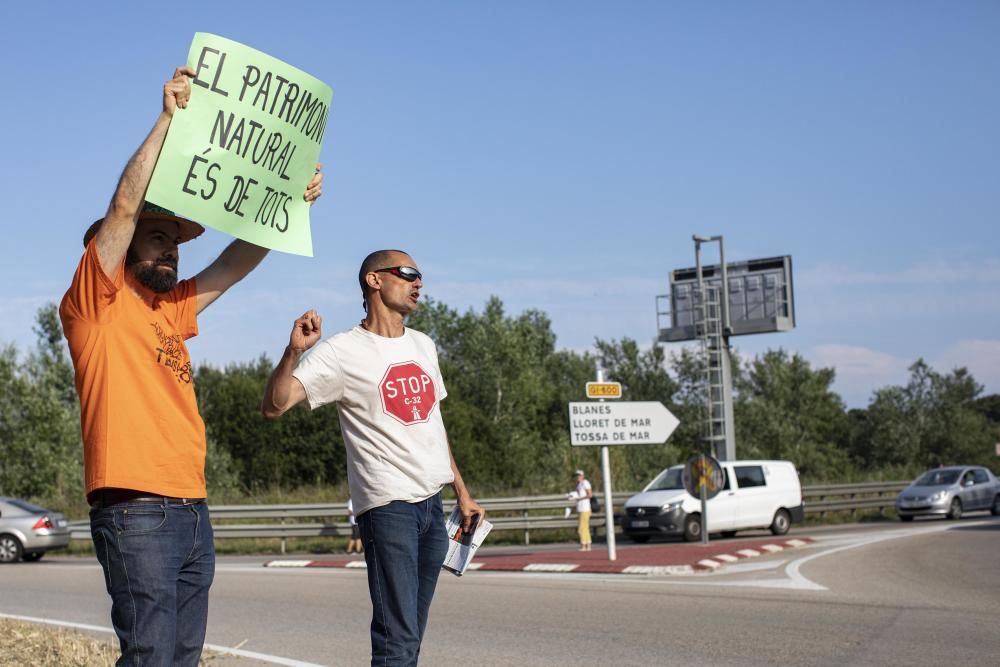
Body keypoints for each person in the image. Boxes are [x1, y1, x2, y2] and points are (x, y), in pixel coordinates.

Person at [59, 66, 323, 666]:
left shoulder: (170, 309)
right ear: (119, 249)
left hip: (191, 507)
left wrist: (287, 204)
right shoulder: (96, 303)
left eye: (174, 238)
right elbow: (124, 206)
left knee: (181, 658)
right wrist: (167, 120)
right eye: (156, 236)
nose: (170, 246)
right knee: (149, 656)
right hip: (135, 508)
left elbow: (232, 264)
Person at [261, 249, 483, 666]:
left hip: (432, 508)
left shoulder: (424, 345)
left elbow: (433, 425)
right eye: (409, 274)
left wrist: (463, 493)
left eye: (421, 276)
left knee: (411, 634)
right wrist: (294, 353)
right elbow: (274, 406)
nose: (419, 283)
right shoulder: (342, 350)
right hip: (387, 507)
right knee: (395, 636)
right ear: (374, 280)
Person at [567, 469, 593, 551]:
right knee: (585, 527)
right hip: (580, 508)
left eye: (579, 475)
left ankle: (583, 545)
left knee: (582, 528)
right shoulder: (578, 485)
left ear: (582, 476)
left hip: (585, 508)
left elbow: (590, 495)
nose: (577, 477)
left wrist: (579, 498)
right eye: (576, 475)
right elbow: (577, 497)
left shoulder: (585, 483)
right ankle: (588, 545)